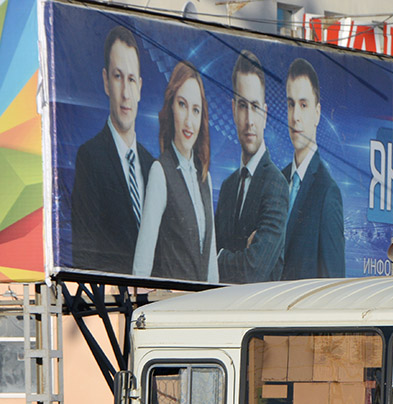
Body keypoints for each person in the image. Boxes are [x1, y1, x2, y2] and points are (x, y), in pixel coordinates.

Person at [71, 26, 154, 274]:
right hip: (112, 303)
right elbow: (84, 253)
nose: (126, 94)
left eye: (131, 79)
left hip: (156, 302)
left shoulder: (153, 166)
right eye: (118, 77)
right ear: (106, 81)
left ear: (139, 87)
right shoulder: (89, 158)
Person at [132, 61, 218, 283]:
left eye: (196, 110)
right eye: (182, 105)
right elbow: (142, 262)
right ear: (171, 107)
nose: (189, 121)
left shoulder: (204, 177)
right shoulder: (160, 171)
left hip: (202, 310)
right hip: (173, 306)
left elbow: (210, 264)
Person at [216, 50, 289, 284]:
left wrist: (218, 257)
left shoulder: (276, 185)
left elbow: (253, 271)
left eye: (255, 107)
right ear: (233, 111)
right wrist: (240, 254)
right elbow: (203, 267)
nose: (249, 120)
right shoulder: (228, 187)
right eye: (242, 106)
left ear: (265, 114)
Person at [281, 58, 344, 280]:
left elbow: (333, 284)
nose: (295, 116)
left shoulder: (327, 192)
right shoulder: (276, 181)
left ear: (317, 113)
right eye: (291, 104)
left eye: (303, 105)